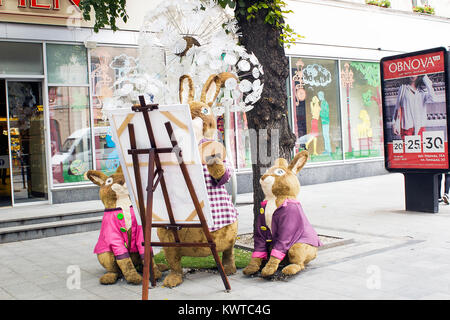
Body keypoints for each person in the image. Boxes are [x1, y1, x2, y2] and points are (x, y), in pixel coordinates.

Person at [392, 74, 436, 140]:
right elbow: (397, 106)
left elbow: (433, 99)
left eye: (415, 73)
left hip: (420, 127)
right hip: (407, 128)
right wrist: (394, 124)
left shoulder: (423, 91)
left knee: (420, 149)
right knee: (406, 149)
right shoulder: (403, 88)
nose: (413, 75)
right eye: (411, 73)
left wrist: (425, 78)